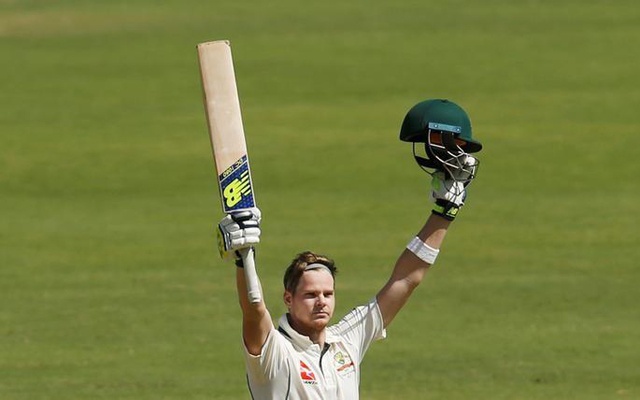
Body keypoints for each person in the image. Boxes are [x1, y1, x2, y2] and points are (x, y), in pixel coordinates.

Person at [217, 99, 483, 399]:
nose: (321, 302)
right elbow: (253, 308)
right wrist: (244, 258)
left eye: (327, 294)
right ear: (288, 299)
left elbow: (406, 279)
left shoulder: (347, 340)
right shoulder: (273, 354)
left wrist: (444, 213)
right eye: (310, 295)